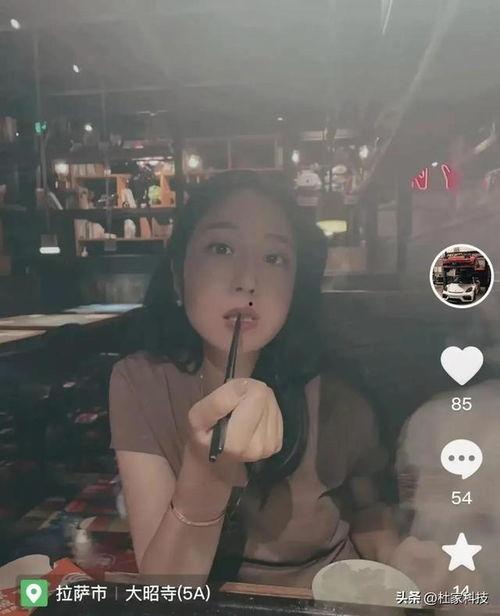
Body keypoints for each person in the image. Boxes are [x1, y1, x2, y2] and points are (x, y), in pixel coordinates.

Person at [108, 170, 401, 588]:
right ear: (178, 275)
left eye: (274, 258)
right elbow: (166, 592)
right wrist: (206, 473)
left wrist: (402, 561)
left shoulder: (335, 390)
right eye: (221, 248)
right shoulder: (141, 382)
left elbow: (371, 509)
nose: (247, 281)